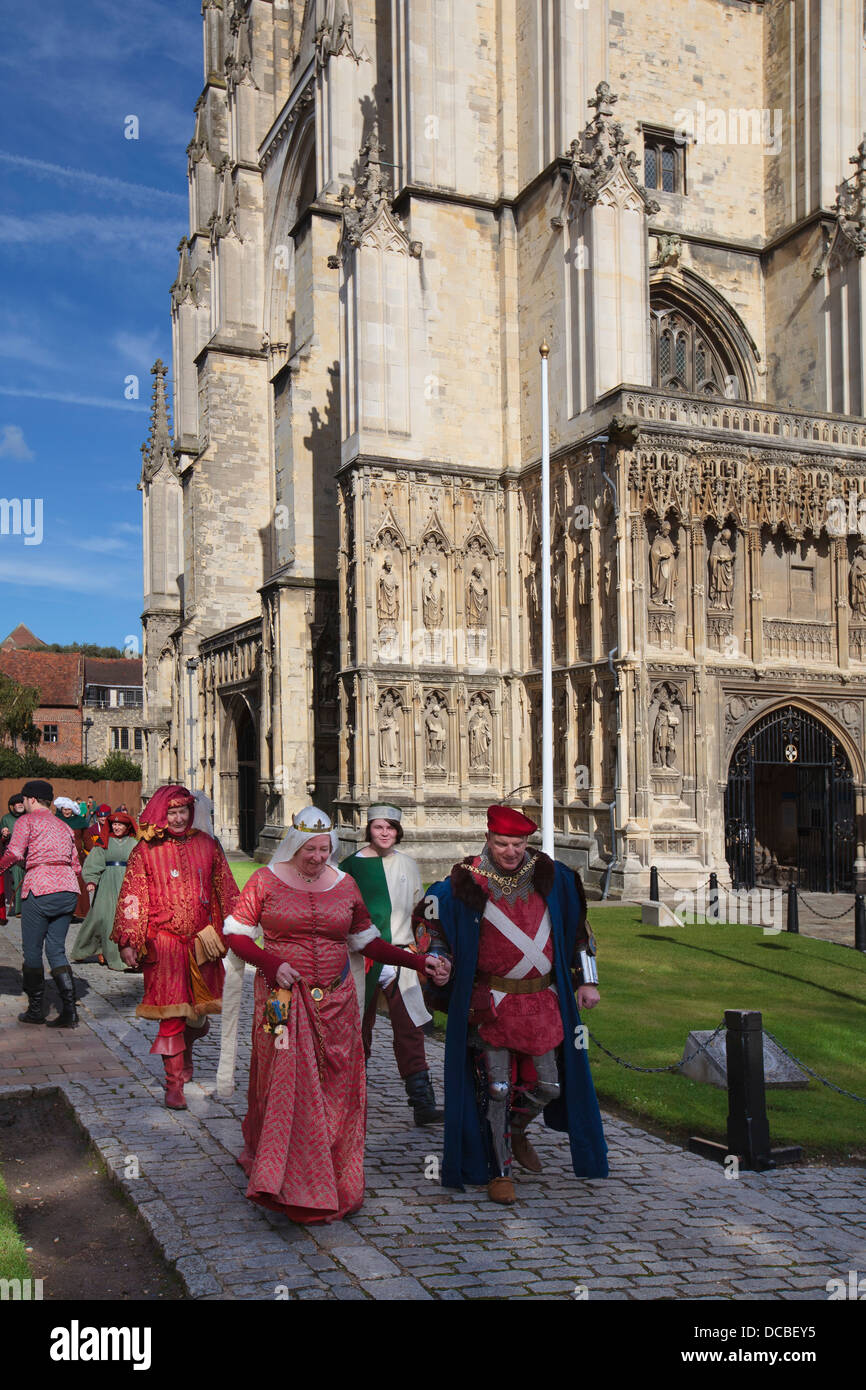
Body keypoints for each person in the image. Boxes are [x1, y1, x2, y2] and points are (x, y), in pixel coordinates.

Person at [223, 806, 450, 1224]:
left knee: (335, 1083)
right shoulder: (265, 881)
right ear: (294, 844)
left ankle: (332, 1170)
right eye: (310, 849)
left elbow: (367, 941)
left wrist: (418, 963)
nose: (317, 857)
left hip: (339, 998)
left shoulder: (345, 885)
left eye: (324, 849)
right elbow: (236, 934)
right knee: (288, 1081)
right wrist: (272, 964)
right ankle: (289, 1182)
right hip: (282, 999)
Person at [413, 804, 607, 1204]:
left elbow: (579, 932)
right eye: (501, 843)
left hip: (543, 1001)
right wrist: (440, 962)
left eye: (518, 843)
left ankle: (515, 1130)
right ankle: (499, 1173)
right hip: (492, 1002)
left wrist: (587, 980)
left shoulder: (554, 879)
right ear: (488, 839)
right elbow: (434, 928)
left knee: (550, 1086)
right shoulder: (461, 883)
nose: (510, 851)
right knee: (498, 1088)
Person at [111, 784, 240, 1110]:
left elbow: (225, 887)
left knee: (197, 1017)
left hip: (201, 943)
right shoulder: (145, 850)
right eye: (172, 812)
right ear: (161, 813)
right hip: (163, 944)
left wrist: (238, 929)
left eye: (184, 811)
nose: (179, 817)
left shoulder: (208, 845)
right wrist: (129, 939)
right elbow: (133, 895)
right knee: (171, 1016)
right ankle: (173, 1085)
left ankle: (186, 1049)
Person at [341, 805, 442, 1125]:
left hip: (402, 956)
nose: (384, 833)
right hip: (362, 957)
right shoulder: (350, 866)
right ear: (369, 829)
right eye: (378, 827)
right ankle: (349, 1101)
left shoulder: (408, 864)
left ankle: (422, 1103)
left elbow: (421, 913)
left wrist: (424, 950)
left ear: (398, 831)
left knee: (410, 1029)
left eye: (390, 828)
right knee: (358, 1029)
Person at [0, 780, 83, 1027]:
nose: (23, 804)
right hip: (67, 888)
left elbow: (14, 853)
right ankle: (69, 1011)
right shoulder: (64, 826)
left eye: (24, 800)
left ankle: (36, 1009)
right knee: (56, 949)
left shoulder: (27, 821)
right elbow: (76, 865)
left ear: (32, 799)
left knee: (33, 950)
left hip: (40, 888)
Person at [71, 811, 138, 970]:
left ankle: (119, 956)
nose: (116, 827)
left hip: (128, 883)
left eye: (120, 824)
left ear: (127, 826)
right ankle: (86, 949)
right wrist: (92, 880)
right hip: (107, 883)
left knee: (123, 919)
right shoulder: (104, 841)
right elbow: (94, 862)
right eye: (114, 824)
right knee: (102, 917)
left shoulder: (134, 844)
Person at [1, 793, 25, 917]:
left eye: (22, 802)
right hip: (14, 855)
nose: (20, 804)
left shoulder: (29, 817)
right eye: (17, 803)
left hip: (30, 853)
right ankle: (18, 909)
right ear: (13, 805)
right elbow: (2, 839)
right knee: (17, 879)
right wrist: (4, 835)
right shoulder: (6, 819)